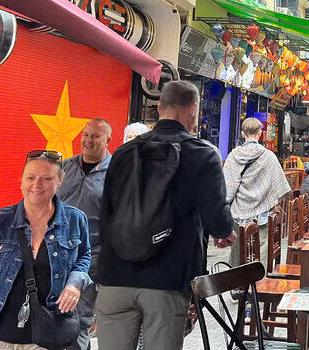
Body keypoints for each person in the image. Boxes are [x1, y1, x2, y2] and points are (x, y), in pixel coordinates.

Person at [96, 80, 235, 350]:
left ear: (159, 108)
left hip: (115, 277)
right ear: (193, 110)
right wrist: (224, 232)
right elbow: (217, 217)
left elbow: (105, 213)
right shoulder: (202, 154)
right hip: (168, 280)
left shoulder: (124, 153)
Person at [0, 150, 91, 349]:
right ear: (21, 181)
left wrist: (75, 283)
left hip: (45, 336)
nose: (37, 184)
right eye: (31, 177)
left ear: (60, 181)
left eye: (47, 178)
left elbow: (84, 255)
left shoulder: (75, 219)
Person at [57, 118, 113, 350]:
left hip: (92, 259)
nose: (88, 140)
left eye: (95, 136)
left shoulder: (117, 174)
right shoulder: (64, 167)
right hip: (57, 255)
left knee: (79, 322)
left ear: (108, 141)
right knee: (58, 320)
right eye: (86, 135)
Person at [224, 117, 291, 268]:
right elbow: (279, 185)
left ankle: (238, 285)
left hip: (239, 213)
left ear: (243, 133)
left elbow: (227, 189)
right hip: (262, 214)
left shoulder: (234, 156)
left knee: (238, 250)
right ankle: (258, 283)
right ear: (260, 133)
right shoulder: (269, 157)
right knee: (260, 250)